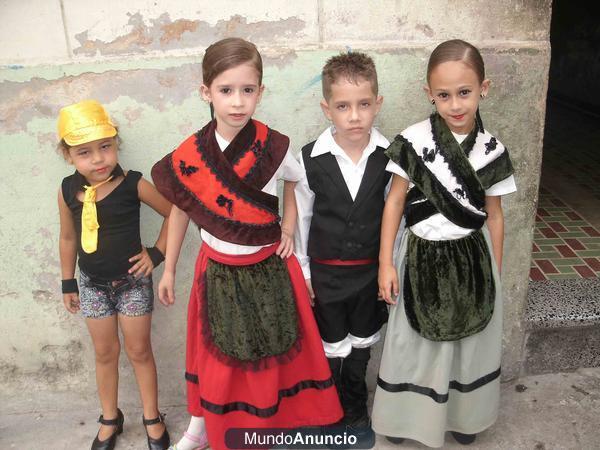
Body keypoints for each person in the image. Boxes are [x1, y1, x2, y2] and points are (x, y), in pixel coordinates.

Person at [151, 37, 342, 450]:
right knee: (216, 360)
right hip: (216, 270)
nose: (237, 102)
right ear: (206, 93)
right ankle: (201, 427)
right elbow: (180, 209)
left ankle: (267, 428)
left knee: (269, 354)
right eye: (226, 90)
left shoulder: (273, 146)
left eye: (247, 90)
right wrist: (167, 269)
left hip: (270, 266)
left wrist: (288, 227)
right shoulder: (191, 155)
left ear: (260, 91)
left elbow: (295, 181)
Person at [372, 39, 517, 447]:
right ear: (429, 94)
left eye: (465, 92)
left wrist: (496, 271)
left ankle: (465, 418)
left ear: (483, 88)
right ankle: (403, 419)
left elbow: (496, 215)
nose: (455, 104)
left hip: (472, 259)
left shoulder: (493, 151)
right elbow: (395, 203)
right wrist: (386, 264)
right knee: (412, 345)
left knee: (468, 346)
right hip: (418, 257)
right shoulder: (413, 141)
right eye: (444, 95)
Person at [57, 99, 172, 450]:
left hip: (132, 284)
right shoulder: (67, 190)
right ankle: (110, 416)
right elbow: (67, 237)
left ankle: (151, 415)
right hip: (91, 284)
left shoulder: (133, 184)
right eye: (85, 152)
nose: (98, 159)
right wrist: (68, 282)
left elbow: (175, 213)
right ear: (69, 156)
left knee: (139, 350)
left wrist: (157, 253)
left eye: (105, 147)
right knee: (105, 352)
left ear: (116, 143)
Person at [294, 51, 390, 439]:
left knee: (362, 342)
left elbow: (393, 215)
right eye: (343, 106)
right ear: (326, 108)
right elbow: (300, 219)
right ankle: (329, 404)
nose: (355, 116)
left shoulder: (390, 156)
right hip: (327, 275)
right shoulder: (308, 159)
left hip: (369, 274)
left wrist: (389, 266)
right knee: (330, 343)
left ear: (377, 104)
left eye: (364, 104)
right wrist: (303, 272)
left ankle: (355, 402)